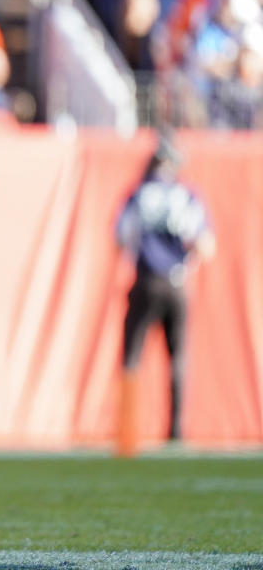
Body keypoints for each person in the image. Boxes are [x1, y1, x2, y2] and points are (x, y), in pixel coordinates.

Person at [115, 133, 215, 448]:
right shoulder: (186, 196)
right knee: (178, 357)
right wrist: (187, 265)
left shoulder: (138, 195)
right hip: (176, 281)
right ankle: (175, 432)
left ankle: (128, 433)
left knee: (132, 356)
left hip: (145, 279)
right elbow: (205, 244)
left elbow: (120, 237)